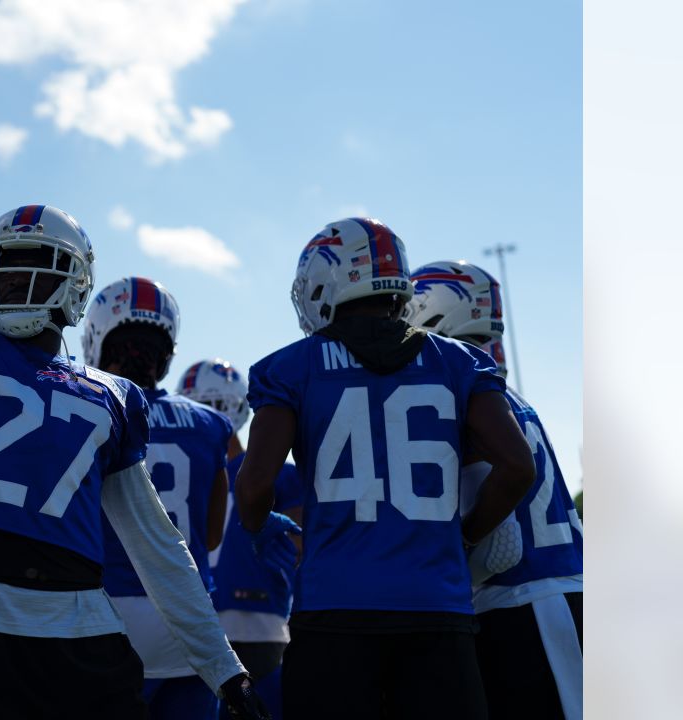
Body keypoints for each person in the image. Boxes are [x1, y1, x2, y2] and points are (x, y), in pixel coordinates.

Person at [0, 38, 264, 719]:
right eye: (3, 268)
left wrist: (223, 670)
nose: (14, 281)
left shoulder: (115, 396)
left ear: (75, 285)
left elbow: (158, 548)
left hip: (85, 624)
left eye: (35, 266)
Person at [234, 218, 538, 720]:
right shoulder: (462, 363)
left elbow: (255, 486)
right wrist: (463, 539)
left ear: (325, 283)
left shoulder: (288, 367)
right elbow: (516, 467)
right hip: (437, 609)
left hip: (334, 610)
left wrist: (259, 527)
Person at [404, 260, 583, 719]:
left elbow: (500, 538)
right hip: (568, 588)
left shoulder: (456, 388)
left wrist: (459, 543)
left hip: (523, 600)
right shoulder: (506, 393)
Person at [81, 277, 232, 719]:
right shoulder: (210, 425)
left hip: (108, 613)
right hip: (190, 619)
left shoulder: (84, 408)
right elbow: (210, 534)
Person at [177, 358, 302, 720]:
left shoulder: (185, 467)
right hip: (263, 625)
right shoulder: (276, 472)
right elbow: (301, 547)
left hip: (197, 623)